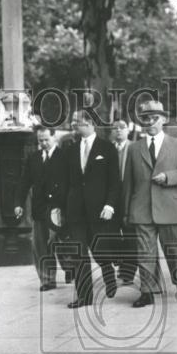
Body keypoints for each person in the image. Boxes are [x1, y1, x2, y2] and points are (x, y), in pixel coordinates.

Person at [122, 100, 177, 307]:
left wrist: (169, 177)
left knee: (174, 249)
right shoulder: (135, 148)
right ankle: (147, 292)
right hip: (141, 207)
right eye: (146, 119)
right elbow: (128, 181)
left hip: (168, 205)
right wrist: (126, 211)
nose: (150, 122)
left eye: (155, 118)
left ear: (163, 120)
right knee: (145, 251)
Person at [50, 110, 121, 308]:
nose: (73, 124)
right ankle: (84, 296)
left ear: (90, 123)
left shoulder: (107, 149)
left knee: (99, 250)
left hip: (99, 210)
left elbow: (115, 182)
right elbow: (64, 182)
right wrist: (60, 208)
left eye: (76, 121)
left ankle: (108, 272)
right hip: (75, 211)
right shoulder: (69, 150)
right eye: (72, 121)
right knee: (79, 253)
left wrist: (110, 205)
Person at [14, 126, 65, 291]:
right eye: (40, 140)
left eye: (46, 140)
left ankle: (70, 269)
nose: (43, 143)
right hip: (39, 210)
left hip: (59, 209)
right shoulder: (33, 158)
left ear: (54, 138)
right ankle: (47, 280)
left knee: (63, 245)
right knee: (41, 246)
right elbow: (24, 182)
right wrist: (18, 204)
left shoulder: (64, 157)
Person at [110, 118, 138, 285]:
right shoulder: (108, 149)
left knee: (130, 235)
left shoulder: (134, 148)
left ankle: (127, 272)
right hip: (112, 199)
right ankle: (119, 261)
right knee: (112, 234)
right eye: (115, 128)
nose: (118, 130)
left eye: (122, 127)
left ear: (128, 129)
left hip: (130, 197)